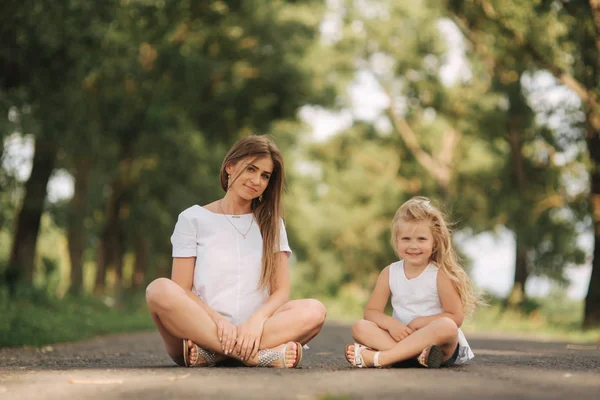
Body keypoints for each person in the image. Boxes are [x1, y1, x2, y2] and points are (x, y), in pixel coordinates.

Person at [146, 135, 327, 368]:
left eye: (265, 175)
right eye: (251, 169)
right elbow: (181, 288)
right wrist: (218, 321)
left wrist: (256, 322)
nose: (257, 180)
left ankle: (214, 354)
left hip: (257, 331)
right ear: (230, 166)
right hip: (200, 329)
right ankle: (258, 357)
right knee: (158, 290)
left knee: (315, 310)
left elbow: (281, 292)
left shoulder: (272, 223)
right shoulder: (192, 218)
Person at [345, 196, 478, 368]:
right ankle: (415, 356)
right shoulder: (389, 272)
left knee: (447, 326)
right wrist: (392, 325)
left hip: (437, 344)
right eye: (406, 239)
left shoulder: (440, 274)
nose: (413, 246)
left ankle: (382, 358)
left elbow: (455, 317)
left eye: (421, 239)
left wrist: (421, 322)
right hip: (400, 336)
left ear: (434, 242)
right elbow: (371, 312)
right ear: (396, 240)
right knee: (360, 327)